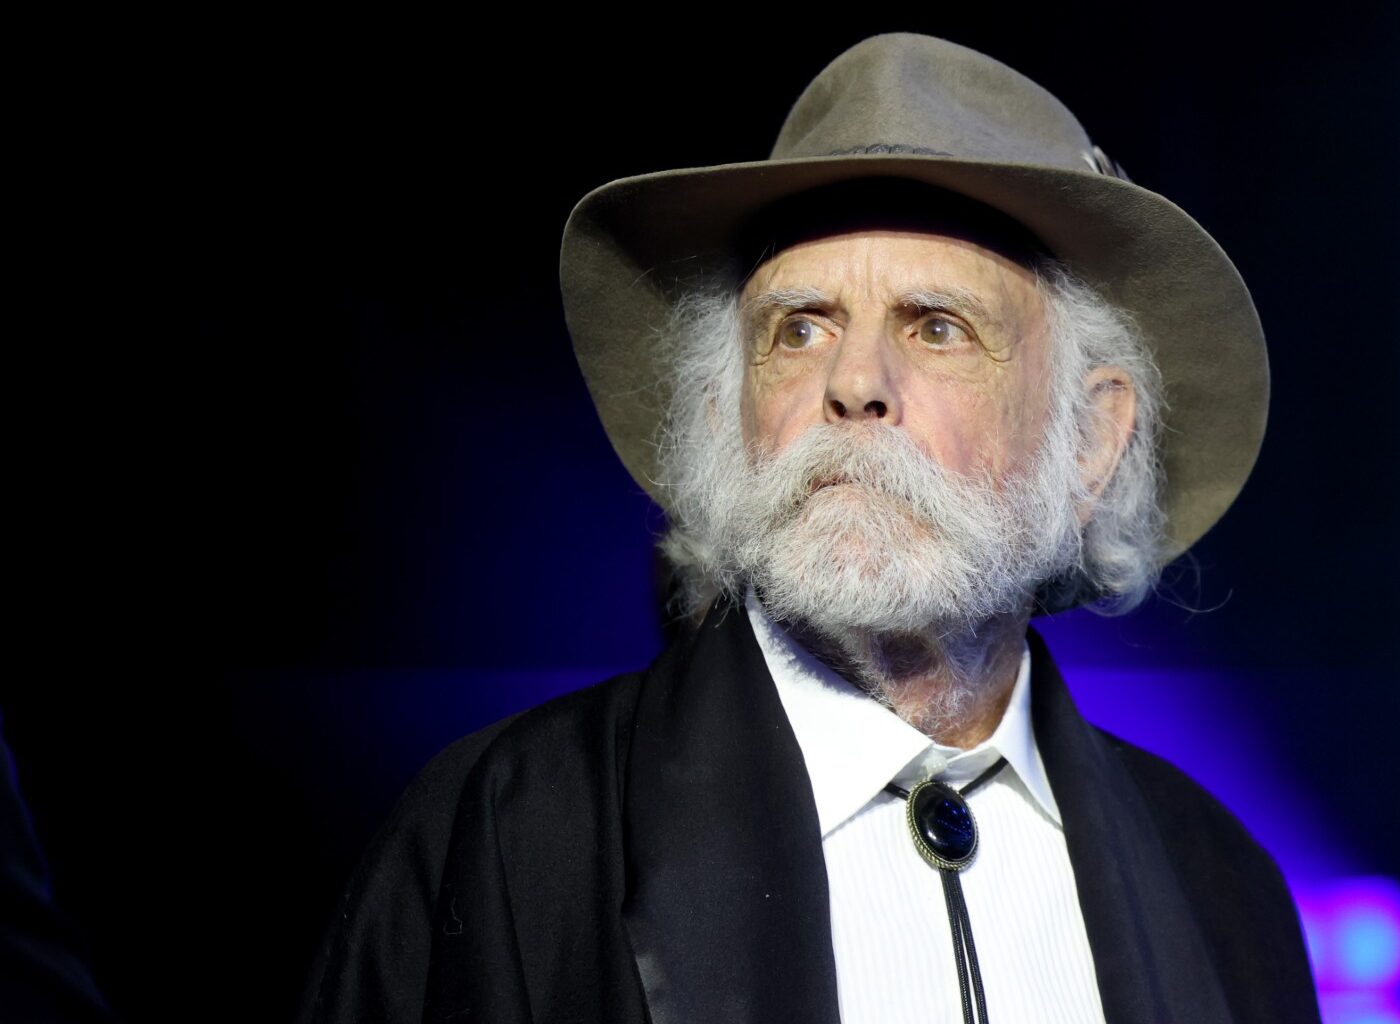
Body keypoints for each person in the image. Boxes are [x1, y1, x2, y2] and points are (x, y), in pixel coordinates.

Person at [297, 33, 1320, 1024]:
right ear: (722, 422)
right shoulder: (509, 834)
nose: (856, 383)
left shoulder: (1220, 887)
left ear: (1092, 441)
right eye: (800, 327)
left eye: (936, 325)